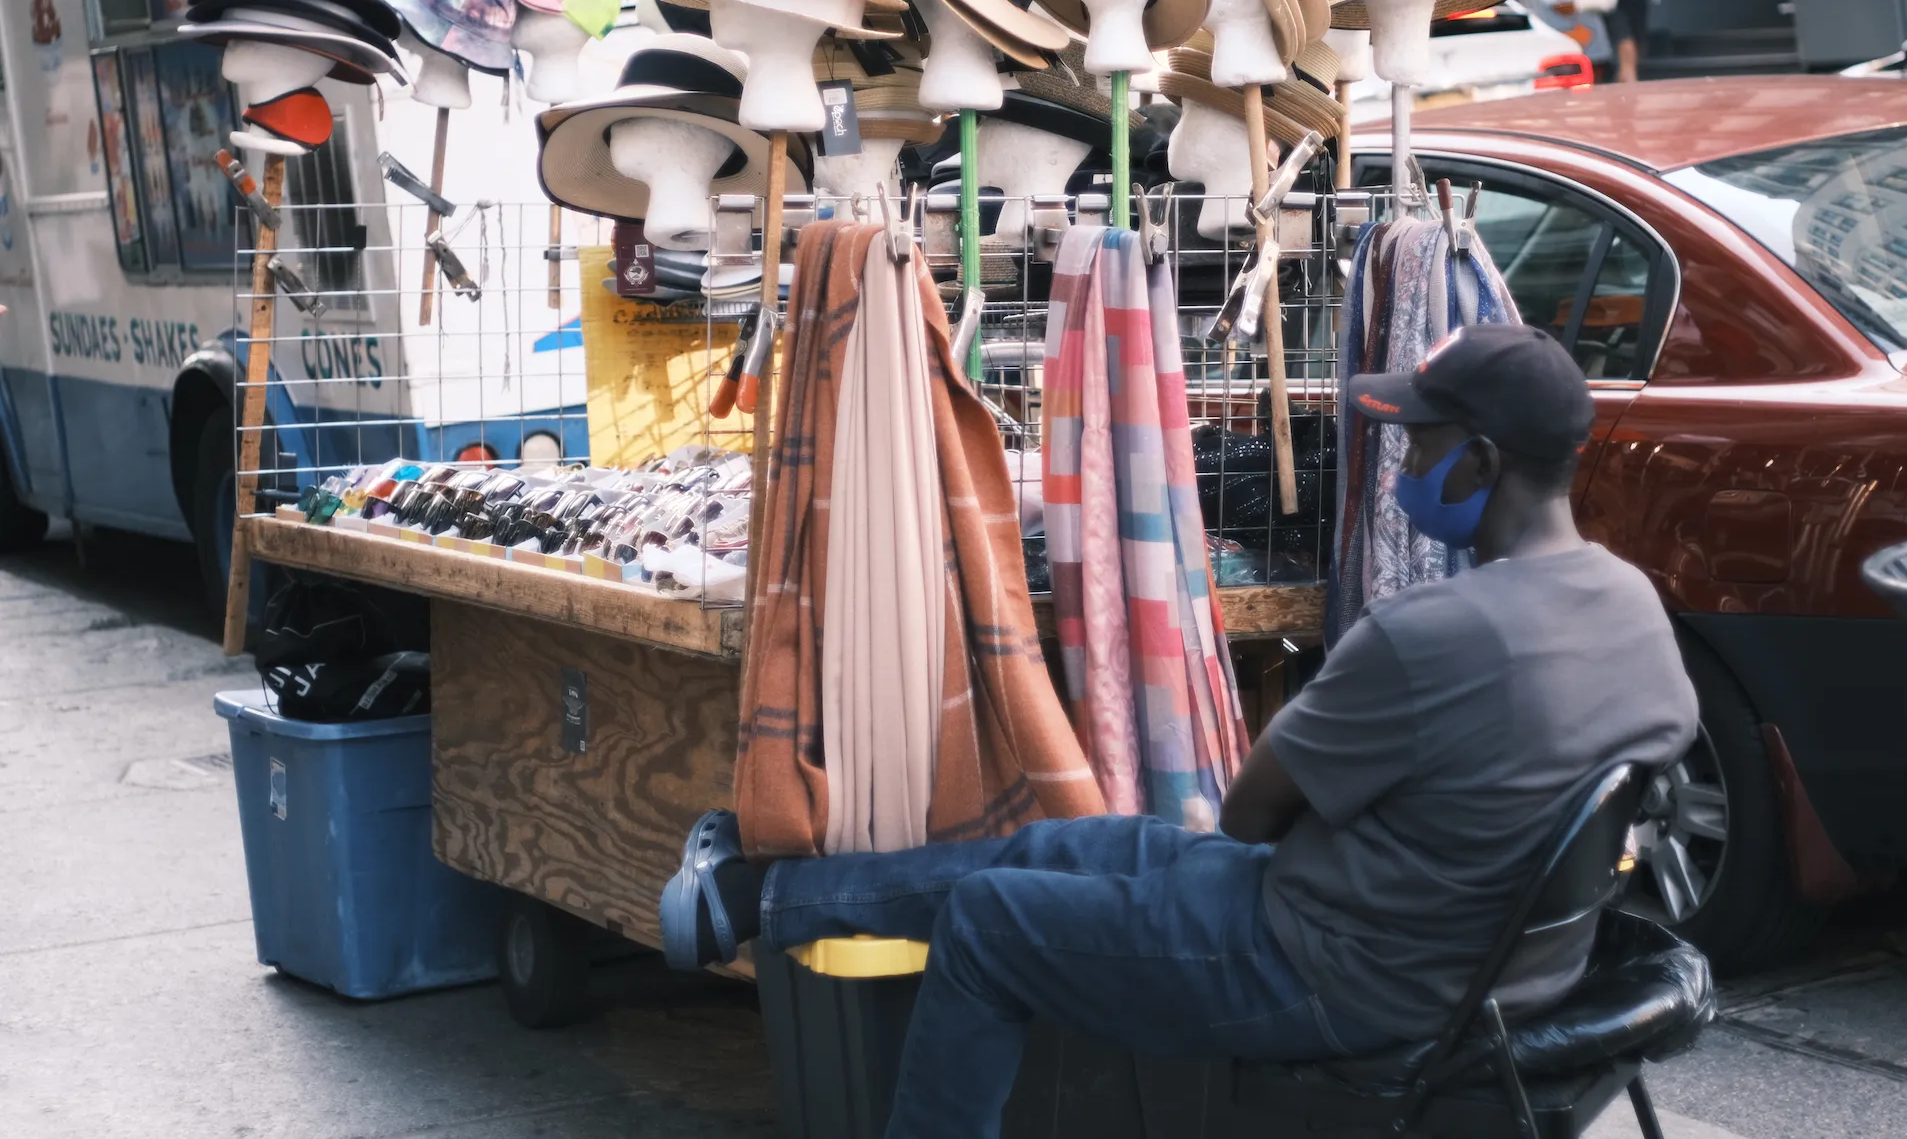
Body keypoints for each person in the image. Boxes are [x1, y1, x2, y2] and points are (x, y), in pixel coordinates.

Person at [659, 324, 1699, 1139]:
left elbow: (1248, 814)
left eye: (1419, 443)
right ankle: (753, 897)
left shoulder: (1428, 634)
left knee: (988, 923)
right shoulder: (1633, 606)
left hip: (1337, 972)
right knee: (1069, 844)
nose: (1402, 463)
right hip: (1476, 956)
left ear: (1476, 462)